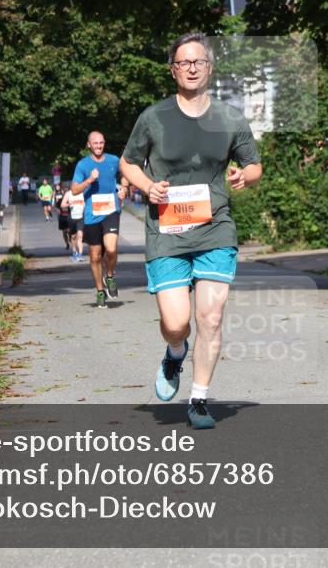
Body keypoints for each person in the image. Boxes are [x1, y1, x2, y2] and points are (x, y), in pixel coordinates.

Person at [120, 31, 262, 429]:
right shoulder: (154, 117)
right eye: (183, 62)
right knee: (177, 322)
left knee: (212, 317)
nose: (192, 68)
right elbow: (128, 163)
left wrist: (244, 177)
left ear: (210, 67)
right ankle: (175, 352)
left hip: (215, 228)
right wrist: (147, 186)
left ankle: (199, 399)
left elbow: (254, 165)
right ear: (173, 70)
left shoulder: (230, 118)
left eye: (198, 61)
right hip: (167, 230)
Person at [71, 131, 129, 308]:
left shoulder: (113, 160)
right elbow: (74, 190)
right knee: (95, 256)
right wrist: (89, 180)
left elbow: (126, 172)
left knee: (111, 249)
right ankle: (100, 291)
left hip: (111, 210)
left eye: (101, 143)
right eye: (95, 143)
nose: (98, 146)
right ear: (89, 145)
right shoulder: (83, 165)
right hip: (92, 215)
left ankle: (109, 276)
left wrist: (124, 188)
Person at [61, 183, 86, 261]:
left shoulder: (83, 193)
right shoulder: (68, 194)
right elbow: (62, 205)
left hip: (81, 217)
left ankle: (80, 254)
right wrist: (69, 204)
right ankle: (74, 252)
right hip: (71, 217)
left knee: (80, 235)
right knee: (73, 237)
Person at [54, 182, 72, 250]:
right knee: (64, 232)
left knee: (69, 230)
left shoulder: (71, 199)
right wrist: (57, 210)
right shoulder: (60, 199)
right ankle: (67, 244)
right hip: (62, 217)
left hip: (69, 217)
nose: (66, 192)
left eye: (67, 191)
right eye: (64, 191)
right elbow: (56, 207)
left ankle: (70, 237)